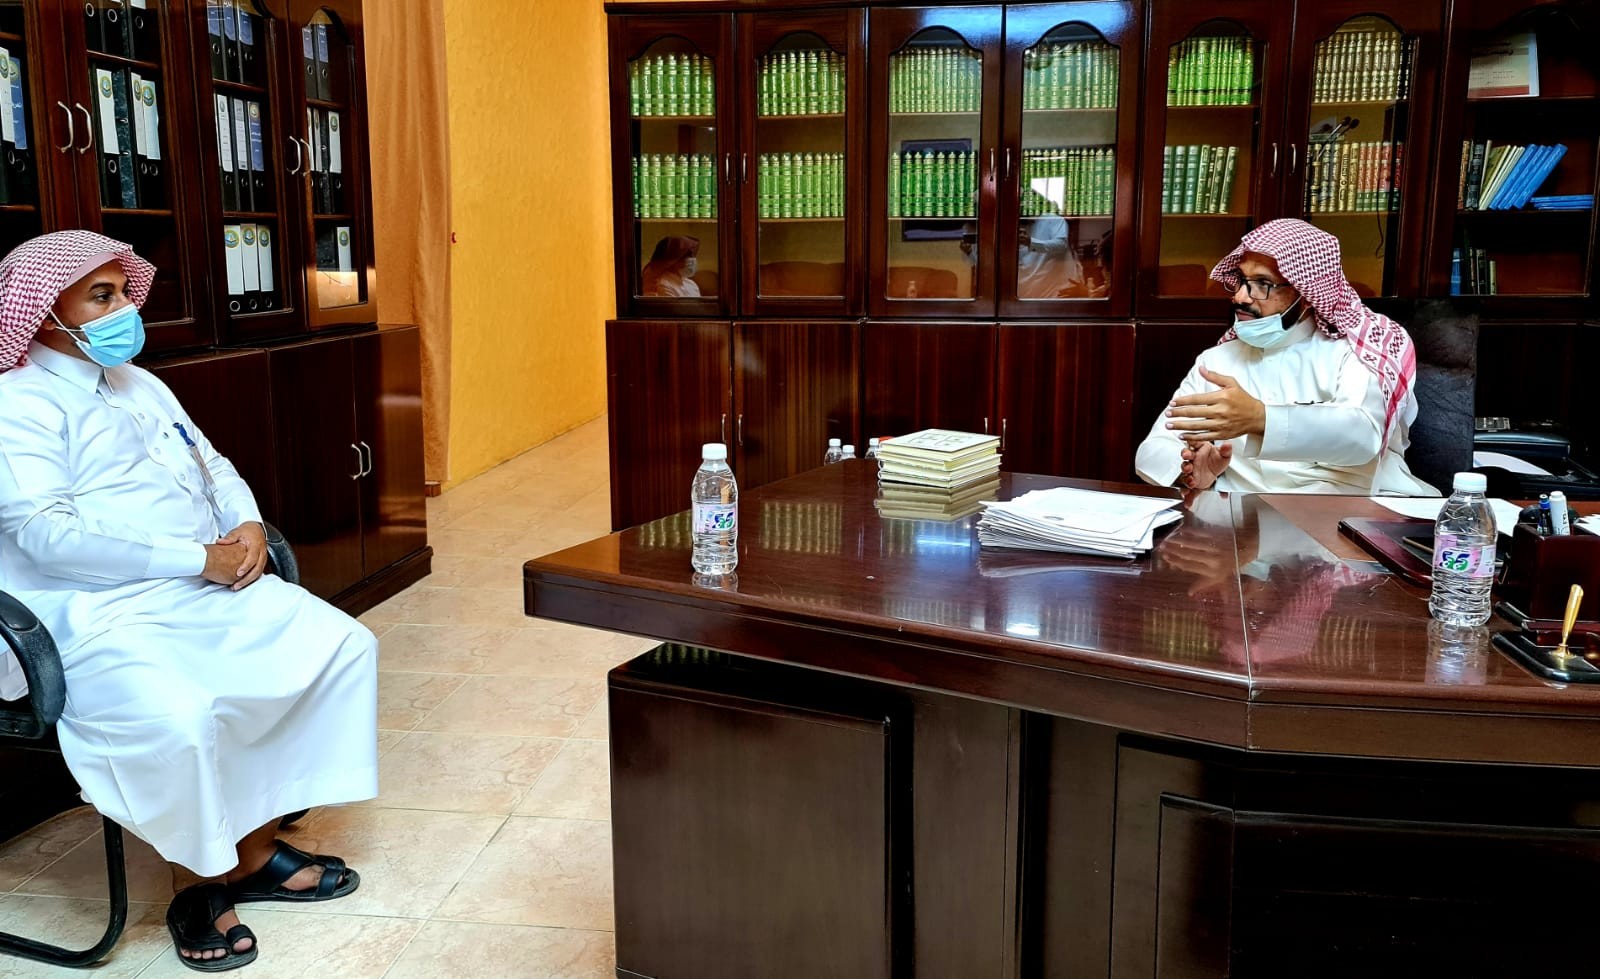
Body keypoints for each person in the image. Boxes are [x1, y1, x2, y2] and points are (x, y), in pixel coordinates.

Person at [0, 231, 378, 971]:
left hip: (199, 584)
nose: (125, 309)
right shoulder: (18, 403)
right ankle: (197, 884)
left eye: (124, 292)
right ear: (43, 312)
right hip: (92, 612)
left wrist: (245, 522)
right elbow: (45, 536)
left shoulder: (137, 381)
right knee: (182, 713)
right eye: (102, 296)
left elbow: (211, 461)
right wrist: (197, 557)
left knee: (336, 645)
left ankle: (254, 852)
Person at [1134, 218, 1436, 496]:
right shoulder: (1216, 361)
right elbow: (1154, 448)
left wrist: (1260, 418)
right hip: (1244, 518)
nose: (1240, 297)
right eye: (1240, 280)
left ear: (1306, 294)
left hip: (1349, 512)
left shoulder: (1356, 350)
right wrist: (1189, 470)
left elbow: (1363, 437)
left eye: (1262, 284)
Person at [1016, 213, 1084, 299]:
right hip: (1032, 293)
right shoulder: (1014, 227)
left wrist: (1030, 242)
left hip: (1059, 292)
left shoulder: (1052, 219)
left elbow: (1061, 245)